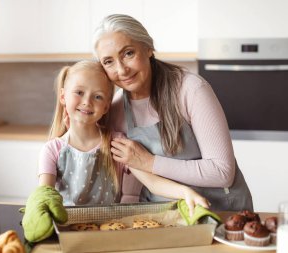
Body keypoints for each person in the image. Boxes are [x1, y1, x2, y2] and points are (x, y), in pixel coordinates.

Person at [22, 60, 209, 243]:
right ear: (63, 96)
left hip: (109, 236)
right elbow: (44, 196)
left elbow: (151, 182)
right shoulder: (52, 150)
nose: (87, 102)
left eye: (98, 96)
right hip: (68, 235)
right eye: (79, 92)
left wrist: (185, 192)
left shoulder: (117, 143)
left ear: (106, 106)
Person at [92, 14, 253, 211]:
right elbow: (132, 187)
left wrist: (149, 162)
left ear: (148, 48)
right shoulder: (116, 110)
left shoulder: (191, 89)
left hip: (221, 212)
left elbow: (222, 171)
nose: (122, 70)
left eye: (128, 53)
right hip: (162, 217)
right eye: (108, 62)